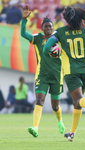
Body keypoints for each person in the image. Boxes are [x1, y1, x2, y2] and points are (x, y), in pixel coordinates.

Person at [43, 6, 85, 142]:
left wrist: (52, 52)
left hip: (71, 71)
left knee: (78, 100)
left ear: (67, 19)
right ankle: (72, 132)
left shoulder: (60, 32)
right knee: (78, 102)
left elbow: (46, 47)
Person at [20, 5, 65, 137]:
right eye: (46, 26)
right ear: (42, 28)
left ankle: (59, 121)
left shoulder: (59, 39)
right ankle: (35, 128)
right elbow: (23, 34)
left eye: (50, 26)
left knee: (55, 107)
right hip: (42, 75)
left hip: (57, 76)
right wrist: (24, 20)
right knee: (39, 100)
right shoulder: (38, 38)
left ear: (53, 28)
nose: (49, 28)